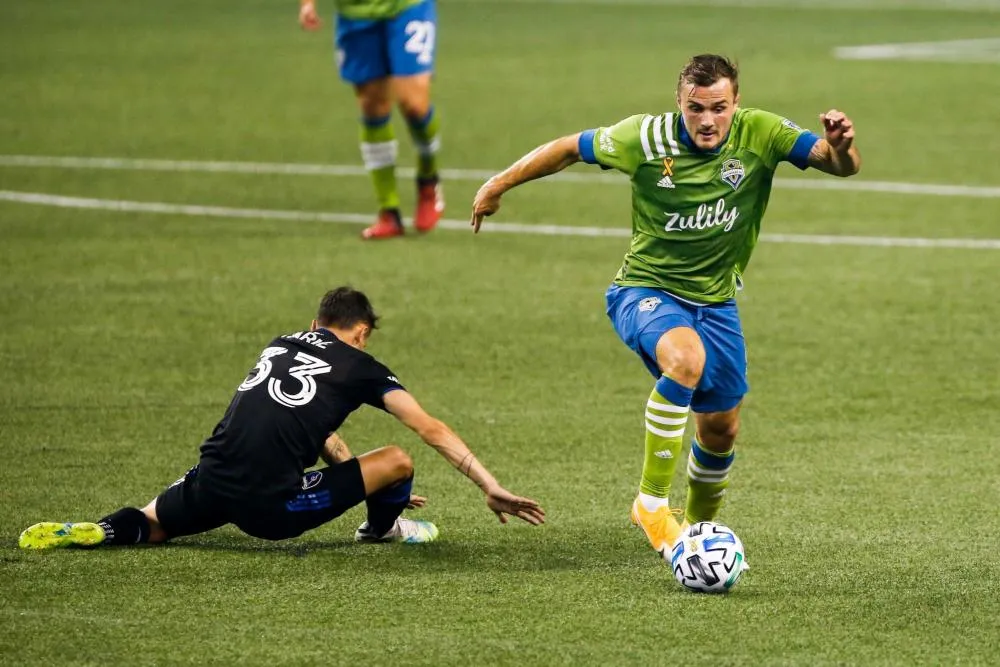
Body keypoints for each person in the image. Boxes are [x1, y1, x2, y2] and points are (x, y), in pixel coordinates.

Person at [470, 54, 860, 556]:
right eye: (695, 108)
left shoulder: (761, 132)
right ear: (679, 103)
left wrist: (842, 147)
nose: (706, 120)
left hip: (716, 302)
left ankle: (697, 535)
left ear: (736, 103)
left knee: (721, 428)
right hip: (644, 290)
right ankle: (651, 503)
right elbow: (569, 147)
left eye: (718, 108)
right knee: (685, 359)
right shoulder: (644, 138)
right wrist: (498, 184)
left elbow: (838, 166)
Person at [19, 287, 544, 550]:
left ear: (315, 322)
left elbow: (308, 423)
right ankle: (381, 529)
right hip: (271, 508)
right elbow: (429, 429)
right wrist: (489, 484)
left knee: (153, 524)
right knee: (398, 461)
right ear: (361, 333)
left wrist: (351, 475)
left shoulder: (281, 343)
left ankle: (104, 529)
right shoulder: (361, 365)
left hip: (212, 477)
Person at [299, 0, 444, 240]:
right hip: (355, 13)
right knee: (372, 106)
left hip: (407, 6)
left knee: (415, 105)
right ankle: (389, 210)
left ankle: (428, 179)